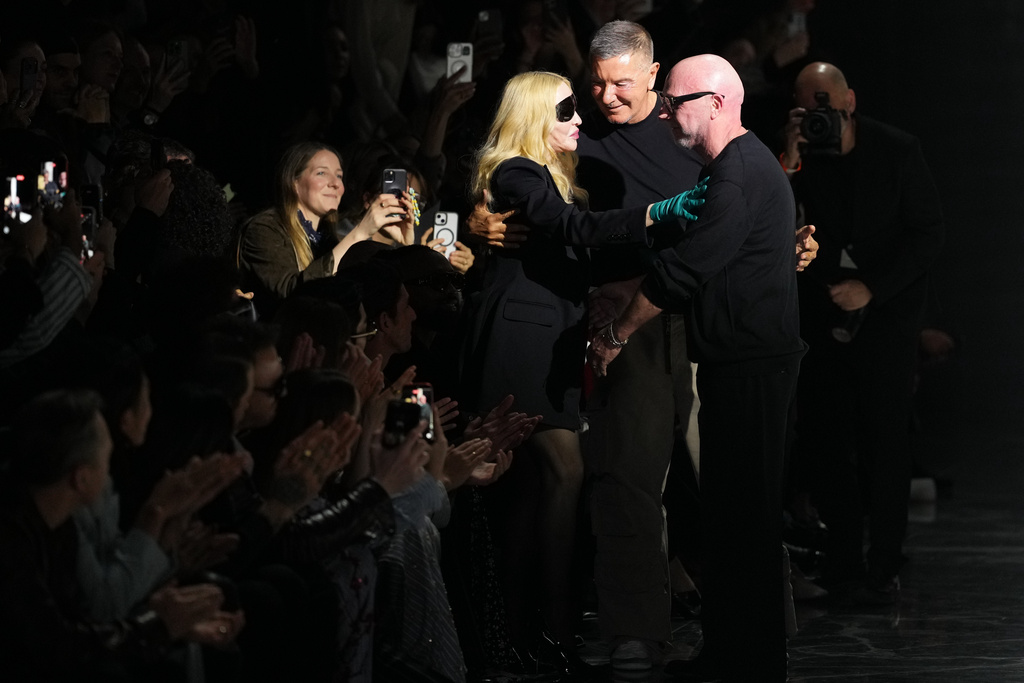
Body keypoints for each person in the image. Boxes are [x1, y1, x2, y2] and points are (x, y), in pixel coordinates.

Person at [468, 21, 818, 675]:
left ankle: (759, 627)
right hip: (636, 324)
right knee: (627, 478)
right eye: (595, 84)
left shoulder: (696, 124)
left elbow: (740, 215)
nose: (605, 97)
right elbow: (530, 188)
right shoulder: (574, 127)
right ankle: (638, 629)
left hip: (703, 319)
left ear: (657, 79)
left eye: (622, 83)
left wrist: (792, 244)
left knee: (730, 483)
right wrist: (479, 218)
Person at [461, 69, 705, 671]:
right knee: (562, 474)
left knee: (529, 491)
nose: (579, 122)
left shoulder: (546, 176)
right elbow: (568, 228)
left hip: (547, 341)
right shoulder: (519, 171)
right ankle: (554, 629)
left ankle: (523, 633)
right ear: (534, 116)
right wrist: (656, 214)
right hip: (520, 342)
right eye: (566, 111)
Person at [590, 54, 804, 682]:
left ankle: (750, 659)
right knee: (735, 517)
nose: (665, 111)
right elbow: (675, 231)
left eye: (675, 100)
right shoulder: (733, 168)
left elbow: (685, 271)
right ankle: (735, 653)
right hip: (740, 364)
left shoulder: (737, 173)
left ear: (713, 103)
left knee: (746, 518)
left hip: (752, 367)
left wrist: (618, 331)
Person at [780, 62, 944, 603]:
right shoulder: (799, 161)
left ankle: (884, 561)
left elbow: (926, 234)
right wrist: (789, 159)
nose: (821, 114)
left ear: (850, 100)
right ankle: (845, 561)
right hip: (821, 319)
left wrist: (872, 287)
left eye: (826, 103)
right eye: (808, 107)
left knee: (885, 443)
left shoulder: (897, 150)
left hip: (885, 320)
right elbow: (768, 219)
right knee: (827, 444)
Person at [235, 141, 414, 317]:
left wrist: (405, 248)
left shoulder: (326, 237)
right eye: (321, 173)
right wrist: (360, 233)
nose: (335, 184)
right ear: (293, 183)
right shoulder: (264, 228)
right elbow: (291, 294)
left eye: (338, 176)